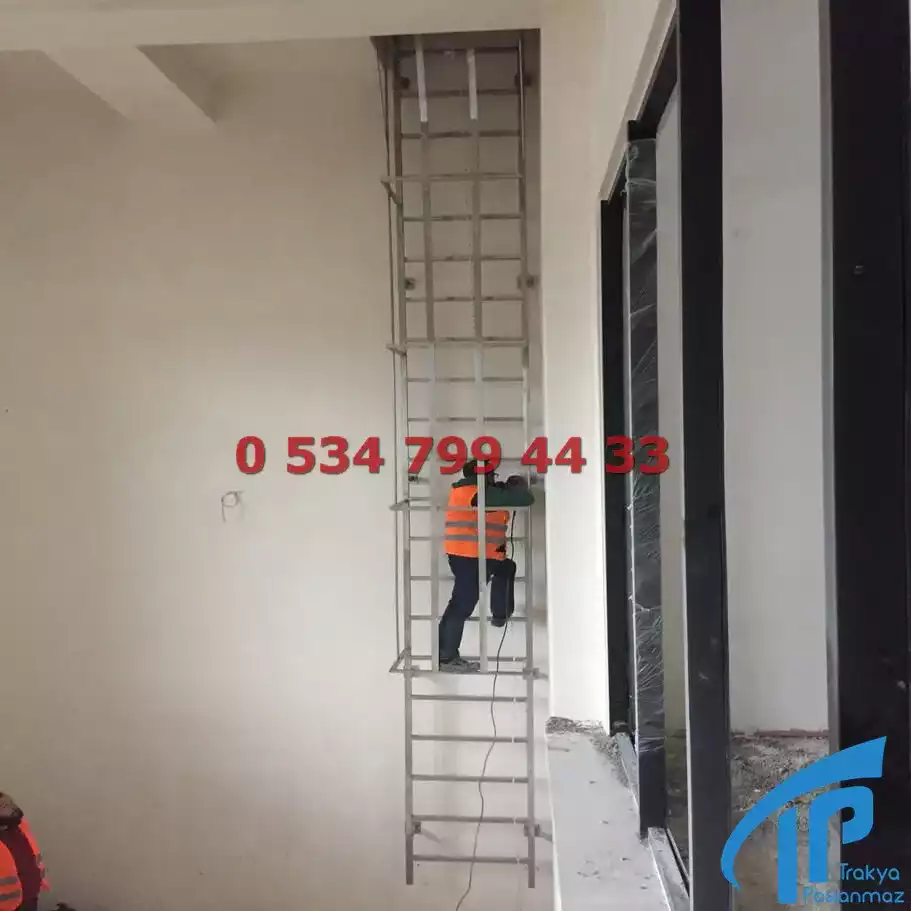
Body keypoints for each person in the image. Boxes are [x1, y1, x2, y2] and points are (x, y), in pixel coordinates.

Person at [439, 459, 535, 673]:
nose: (494, 479)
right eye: (492, 476)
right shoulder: (478, 493)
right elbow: (525, 499)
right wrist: (515, 488)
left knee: (506, 568)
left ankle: (500, 615)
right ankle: (446, 656)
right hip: (470, 557)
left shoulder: (471, 491)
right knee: (461, 605)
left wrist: (503, 488)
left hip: (477, 556)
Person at [0, 793, 48, 911]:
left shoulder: (21, 828)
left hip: (29, 898)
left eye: (11, 803)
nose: (11, 808)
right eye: (3, 806)